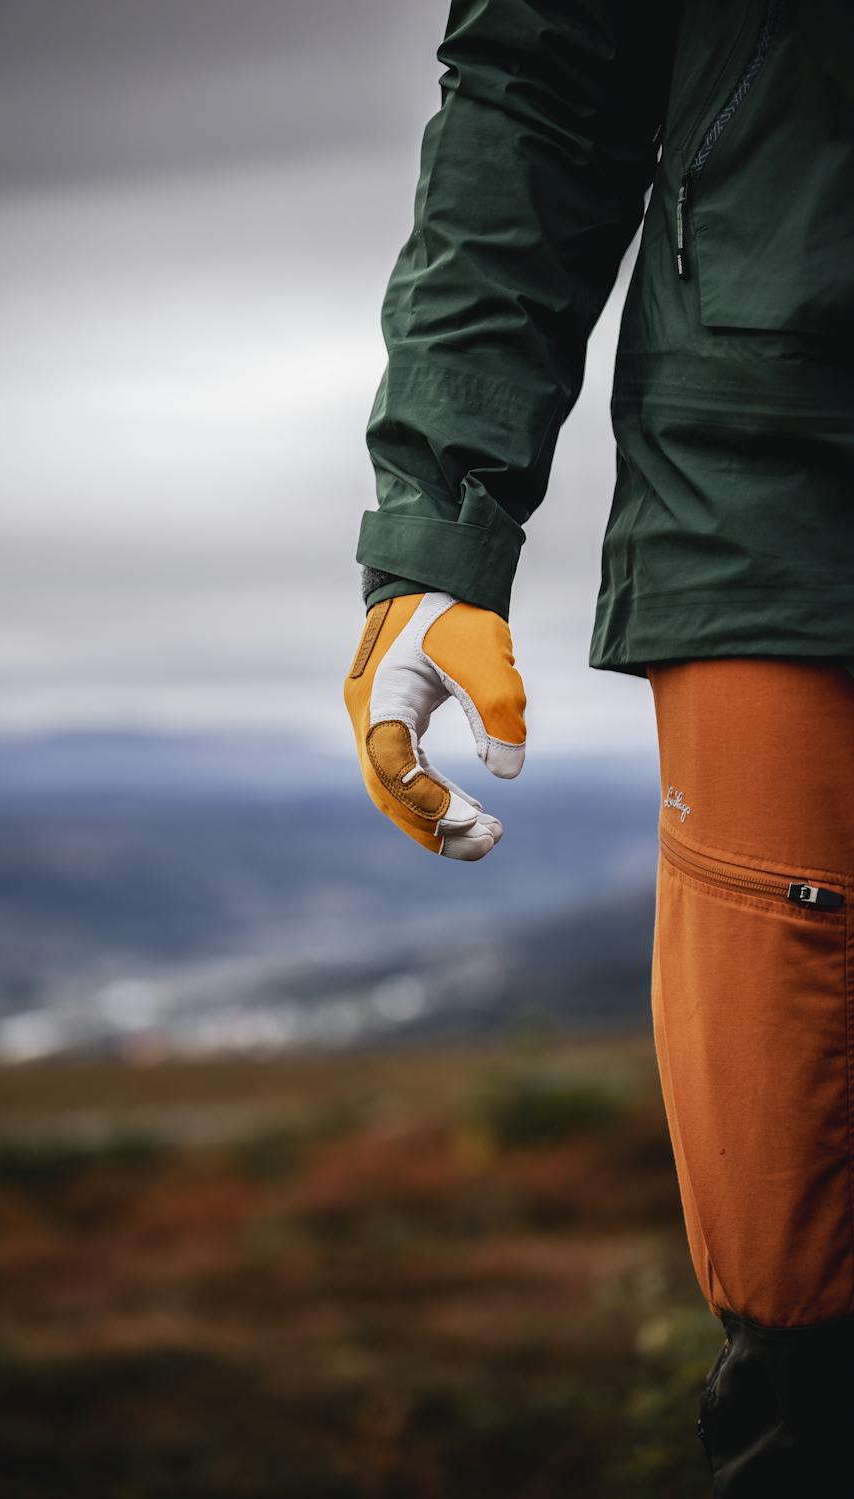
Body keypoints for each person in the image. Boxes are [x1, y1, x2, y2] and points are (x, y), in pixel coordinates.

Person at [342, 2, 854, 1492]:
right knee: (810, 1308)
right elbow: (538, 84)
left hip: (764, 505)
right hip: (788, 507)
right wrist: (437, 535)